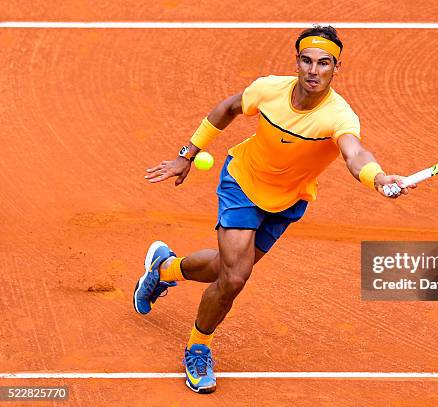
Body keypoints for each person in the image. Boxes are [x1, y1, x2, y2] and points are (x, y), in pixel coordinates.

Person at [133, 25, 413, 394]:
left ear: (336, 68)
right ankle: (198, 347)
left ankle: (163, 268)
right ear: (296, 62)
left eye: (324, 63)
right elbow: (228, 108)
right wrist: (188, 154)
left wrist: (376, 178)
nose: (314, 70)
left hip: (287, 201)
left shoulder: (338, 116)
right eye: (307, 61)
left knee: (224, 268)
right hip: (243, 183)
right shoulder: (268, 89)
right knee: (234, 278)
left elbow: (354, 153)